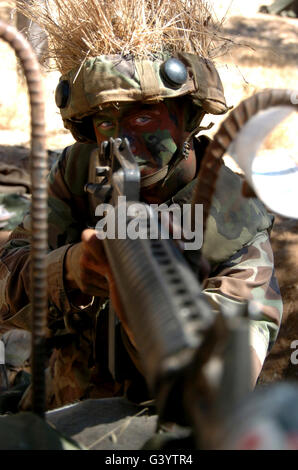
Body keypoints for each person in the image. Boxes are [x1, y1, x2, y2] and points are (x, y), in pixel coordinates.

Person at [0, 0, 283, 411]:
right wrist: (71, 269)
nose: (121, 143)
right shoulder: (78, 171)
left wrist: (141, 296)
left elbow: (219, 385)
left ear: (187, 115)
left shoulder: (233, 220)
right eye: (106, 122)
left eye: (144, 118)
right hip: (54, 409)